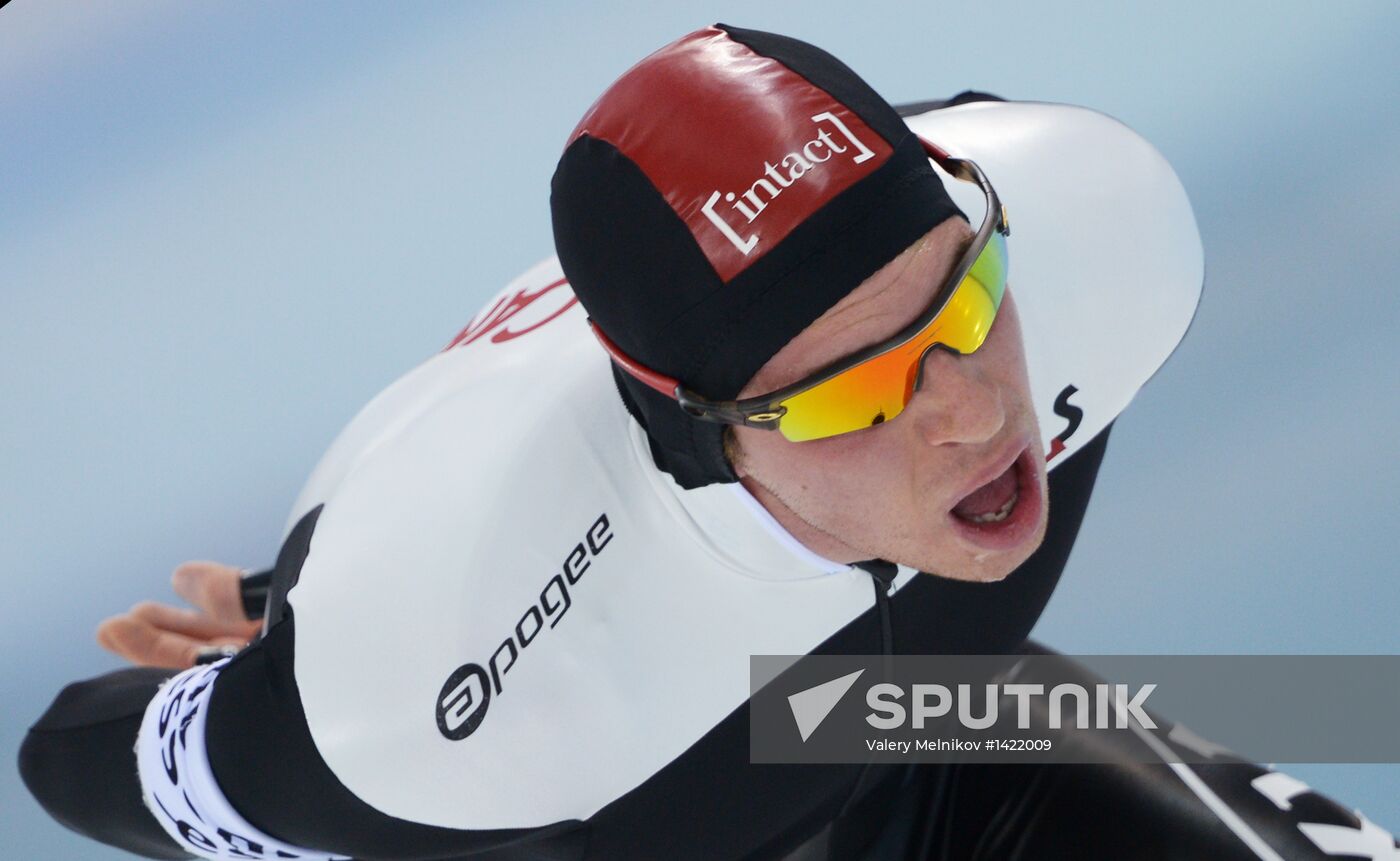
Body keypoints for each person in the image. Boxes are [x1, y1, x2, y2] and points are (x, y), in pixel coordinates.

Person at [17, 23, 1395, 861]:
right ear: (707, 437)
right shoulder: (463, 683)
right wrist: (282, 679)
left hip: (914, 736)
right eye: (857, 393)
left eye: (967, 303)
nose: (972, 410)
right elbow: (70, 758)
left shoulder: (1101, 242)